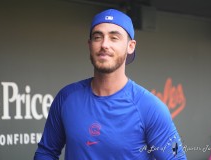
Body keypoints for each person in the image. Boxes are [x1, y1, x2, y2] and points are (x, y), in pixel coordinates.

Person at [34, 9, 187, 160]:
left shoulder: (150, 108)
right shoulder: (67, 97)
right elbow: (46, 152)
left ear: (130, 46)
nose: (104, 44)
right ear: (89, 45)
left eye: (114, 38)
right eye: (97, 37)